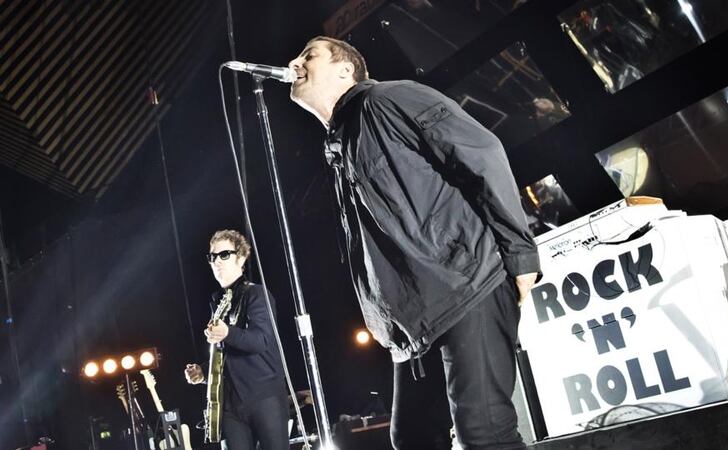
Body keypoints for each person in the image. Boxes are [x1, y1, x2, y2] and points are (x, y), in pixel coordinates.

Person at [288, 36, 541, 450]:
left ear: (345, 69)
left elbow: (482, 152)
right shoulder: (341, 143)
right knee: (413, 438)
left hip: (465, 285)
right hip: (414, 319)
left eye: (308, 55)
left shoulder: (389, 99)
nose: (294, 63)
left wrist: (520, 250)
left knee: (484, 431)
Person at [184, 230, 288, 450]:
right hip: (230, 403)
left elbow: (261, 340)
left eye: (224, 255)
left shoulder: (256, 294)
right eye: (213, 256)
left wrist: (227, 333)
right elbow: (225, 355)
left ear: (240, 258)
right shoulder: (217, 302)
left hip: (263, 396)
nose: (217, 262)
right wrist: (204, 372)